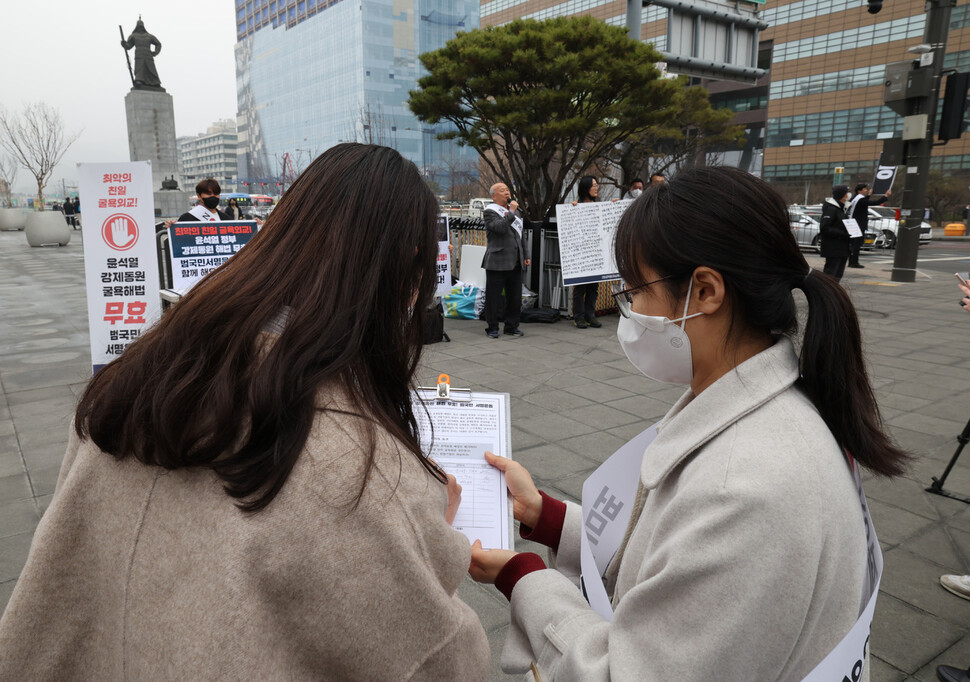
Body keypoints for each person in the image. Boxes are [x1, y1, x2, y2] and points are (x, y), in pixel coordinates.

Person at [0, 143, 490, 680]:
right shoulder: (355, 467)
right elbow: (442, 659)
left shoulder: (143, 372)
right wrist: (431, 532)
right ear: (403, 273)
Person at [469, 166, 908, 681]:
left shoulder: (743, 488)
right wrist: (545, 516)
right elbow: (672, 559)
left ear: (705, 292)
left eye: (635, 291)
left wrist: (523, 578)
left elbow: (628, 674)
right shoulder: (767, 406)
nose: (630, 313)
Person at [482, 182, 530, 339]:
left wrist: (526, 255)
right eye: (502, 191)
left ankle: (511, 325)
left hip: (515, 260)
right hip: (497, 260)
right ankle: (492, 327)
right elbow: (500, 228)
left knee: (515, 297)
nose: (507, 193)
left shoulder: (515, 212)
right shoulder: (490, 211)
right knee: (494, 297)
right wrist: (511, 211)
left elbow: (520, 235)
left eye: (507, 190)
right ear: (493, 195)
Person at [570, 176, 603, 329]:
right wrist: (572, 209)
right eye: (593, 185)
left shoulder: (600, 206)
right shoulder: (576, 206)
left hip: (595, 253)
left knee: (593, 287)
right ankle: (579, 316)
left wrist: (614, 206)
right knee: (580, 288)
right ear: (585, 188)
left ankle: (590, 314)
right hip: (581, 254)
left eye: (597, 185)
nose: (596, 188)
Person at [846, 183, 891, 268]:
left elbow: (864, 202)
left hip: (852, 223)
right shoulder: (861, 199)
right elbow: (874, 202)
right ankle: (854, 263)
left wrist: (869, 195)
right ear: (860, 190)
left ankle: (851, 262)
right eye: (865, 189)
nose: (866, 190)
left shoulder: (855, 198)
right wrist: (885, 196)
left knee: (853, 244)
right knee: (857, 244)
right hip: (858, 224)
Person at [820, 184, 852, 281]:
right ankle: (825, 294)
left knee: (838, 275)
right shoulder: (831, 209)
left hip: (842, 247)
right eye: (847, 192)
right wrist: (843, 233)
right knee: (831, 275)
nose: (848, 195)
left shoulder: (842, 208)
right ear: (842, 195)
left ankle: (833, 293)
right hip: (833, 247)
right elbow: (825, 227)